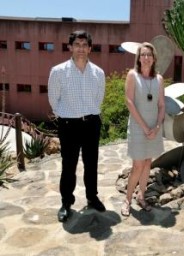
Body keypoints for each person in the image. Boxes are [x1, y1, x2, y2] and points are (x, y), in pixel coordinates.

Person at [48, 30, 106, 222]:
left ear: (90, 48)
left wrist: (88, 114)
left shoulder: (98, 73)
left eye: (84, 45)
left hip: (91, 123)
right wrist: (66, 116)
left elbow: (99, 98)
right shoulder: (58, 71)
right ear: (70, 47)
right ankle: (66, 202)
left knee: (91, 164)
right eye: (77, 44)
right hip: (68, 125)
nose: (81, 48)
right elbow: (53, 100)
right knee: (68, 165)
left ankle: (92, 197)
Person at [120, 42, 165, 216]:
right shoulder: (133, 75)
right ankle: (127, 199)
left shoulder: (159, 79)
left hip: (154, 127)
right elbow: (129, 102)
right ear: (138, 58)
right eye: (143, 55)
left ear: (154, 59)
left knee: (147, 163)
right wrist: (146, 127)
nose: (146, 58)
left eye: (149, 55)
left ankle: (142, 196)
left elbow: (161, 105)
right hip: (138, 127)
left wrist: (157, 126)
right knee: (137, 165)